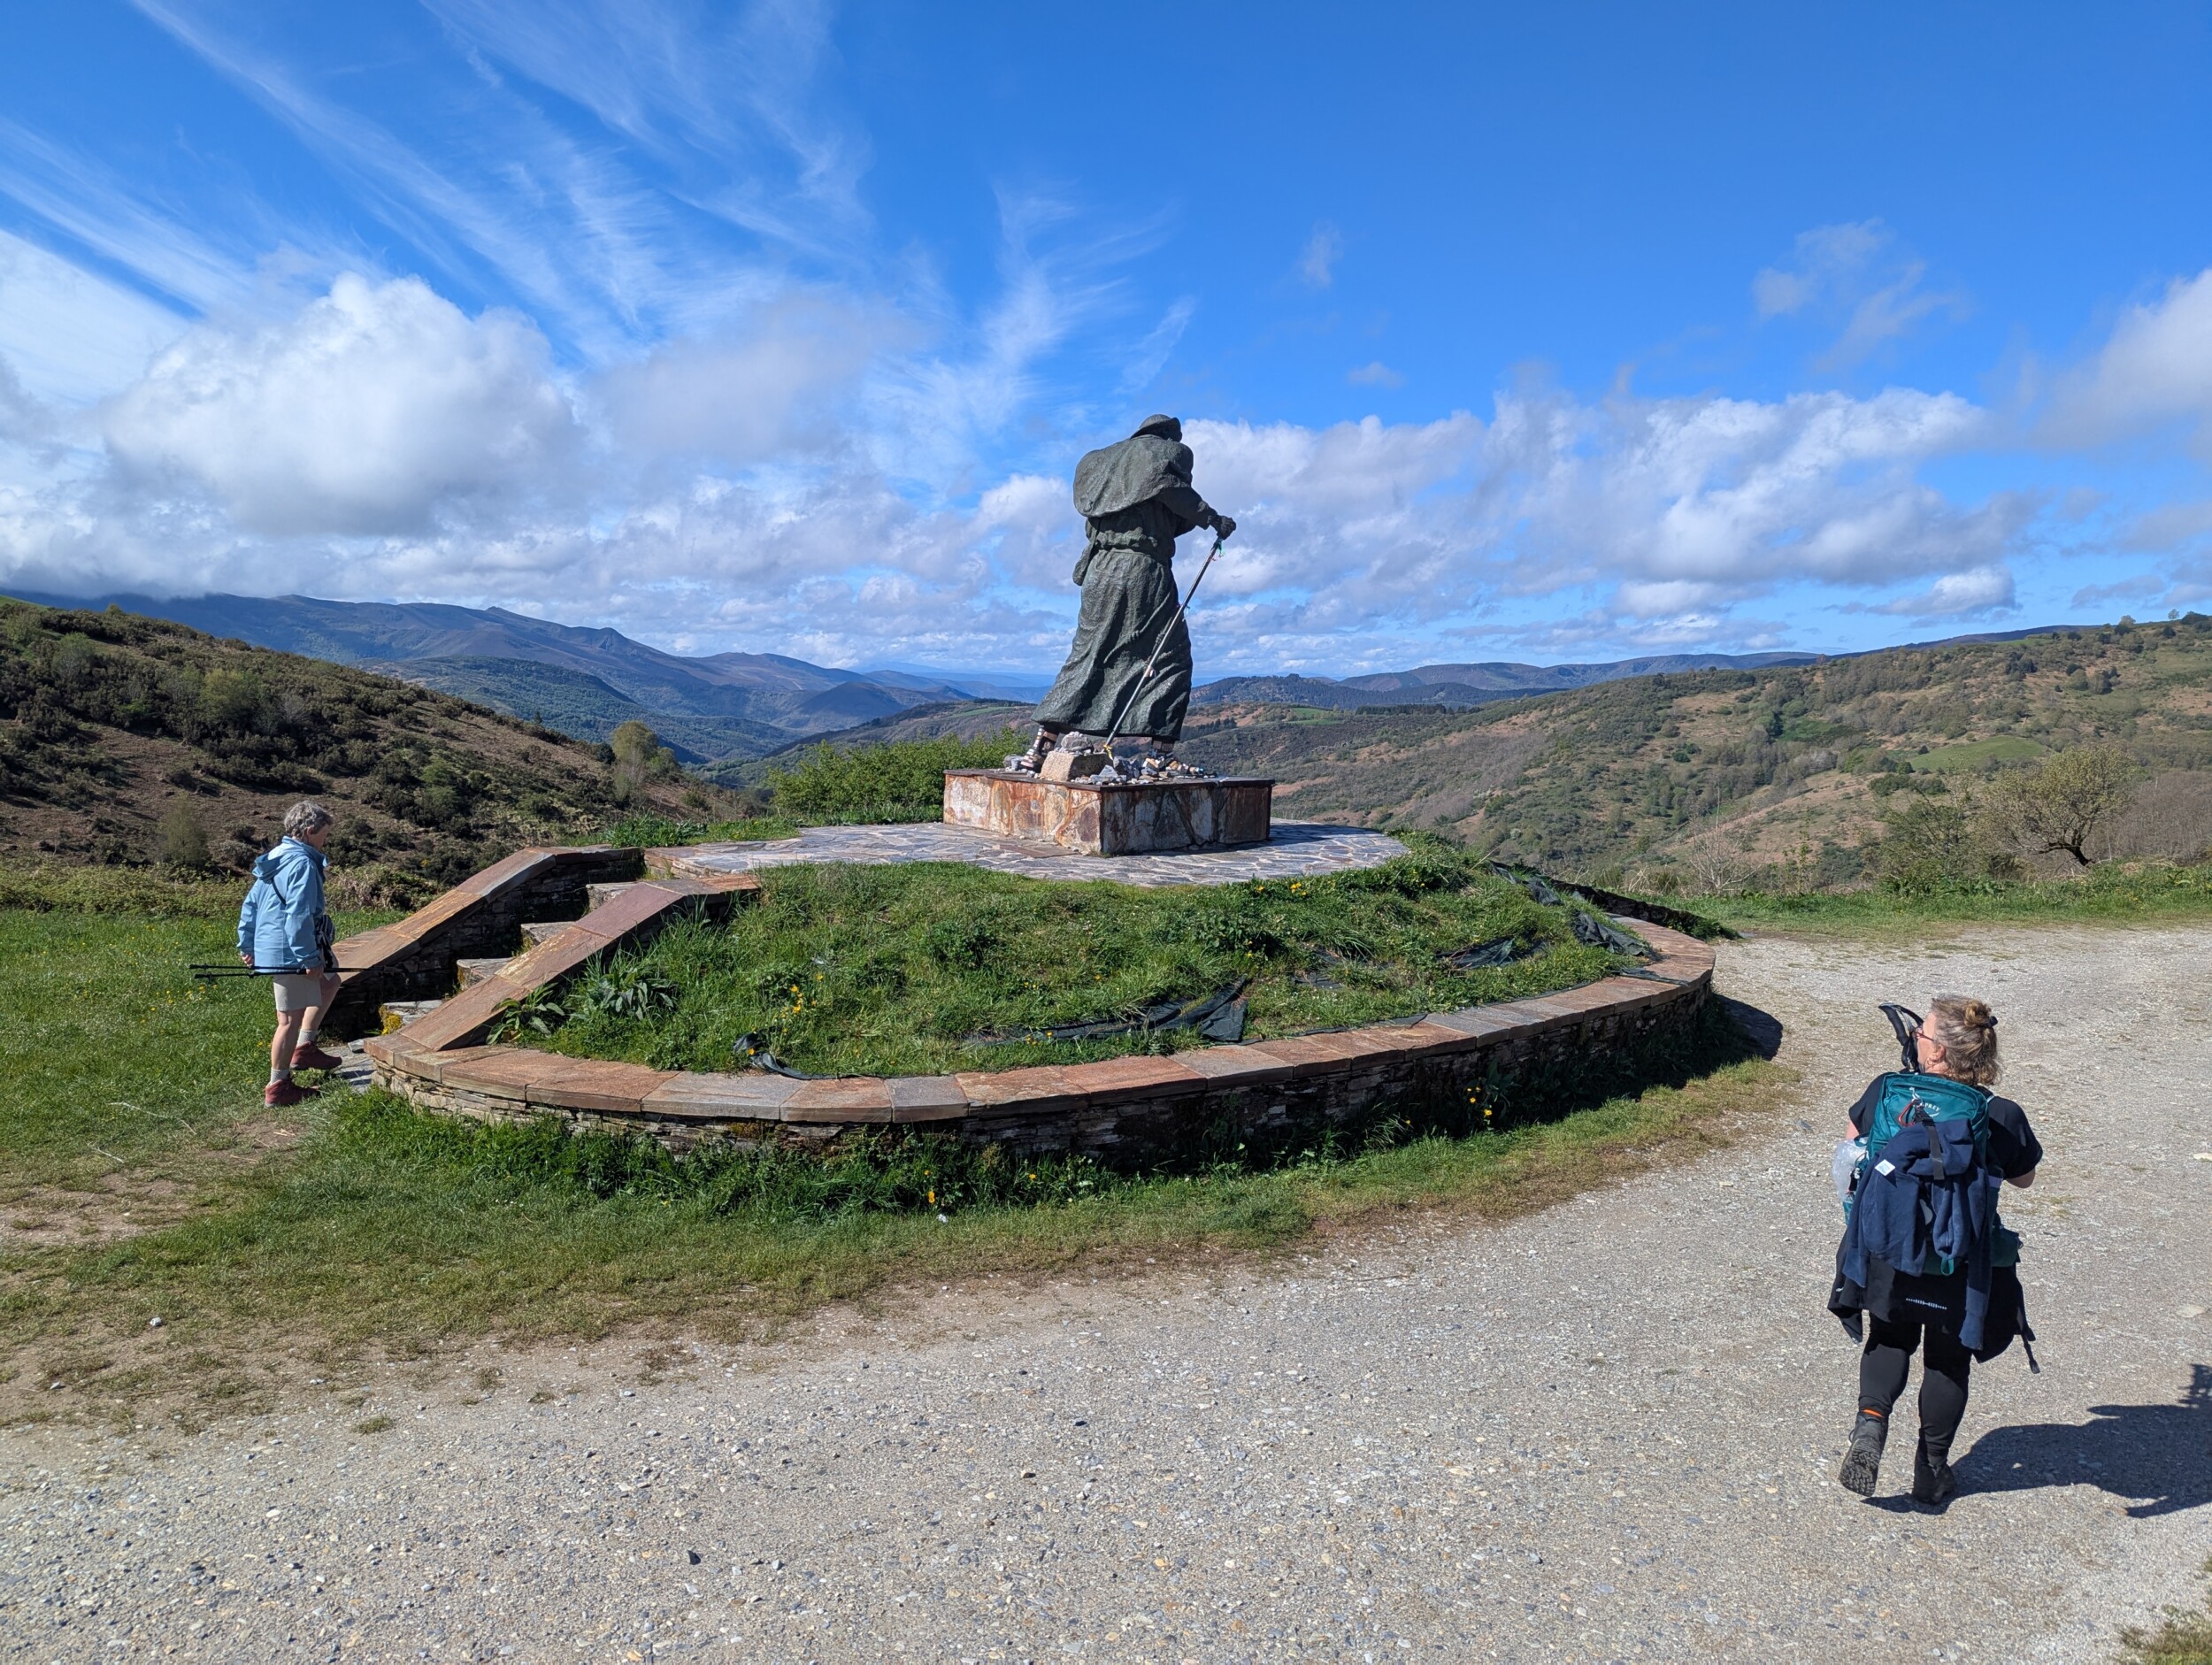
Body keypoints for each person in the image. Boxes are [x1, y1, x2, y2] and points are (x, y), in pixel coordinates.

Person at [1833, 995, 2042, 1508]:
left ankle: (1871, 1425)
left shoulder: (1887, 1091)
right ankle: (1931, 1471)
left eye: (1921, 1034)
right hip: (1960, 1256)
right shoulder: (1999, 1114)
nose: (1915, 1039)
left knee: (1889, 1337)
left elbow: (1852, 1146)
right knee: (1948, 1361)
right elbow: (2026, 1179)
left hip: (1891, 1248)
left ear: (1939, 1053)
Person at [1010, 414, 1237, 779]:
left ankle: (1040, 748)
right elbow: (1172, 491)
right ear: (1169, 436)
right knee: (1171, 654)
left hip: (1099, 572)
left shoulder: (1102, 467)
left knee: (1088, 654)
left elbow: (1145, 516)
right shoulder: (1165, 454)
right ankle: (1161, 755)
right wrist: (1211, 518)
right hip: (1142, 570)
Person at [235, 801, 342, 1108]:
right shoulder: (303, 864)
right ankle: (278, 1086)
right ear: (309, 831)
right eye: (324, 834)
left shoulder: (275, 858)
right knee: (288, 1020)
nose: (325, 841)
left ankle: (305, 1048)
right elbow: (298, 915)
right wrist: (308, 958)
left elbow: (251, 905)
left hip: (275, 945)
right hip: (289, 951)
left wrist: (248, 944)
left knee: (330, 983)